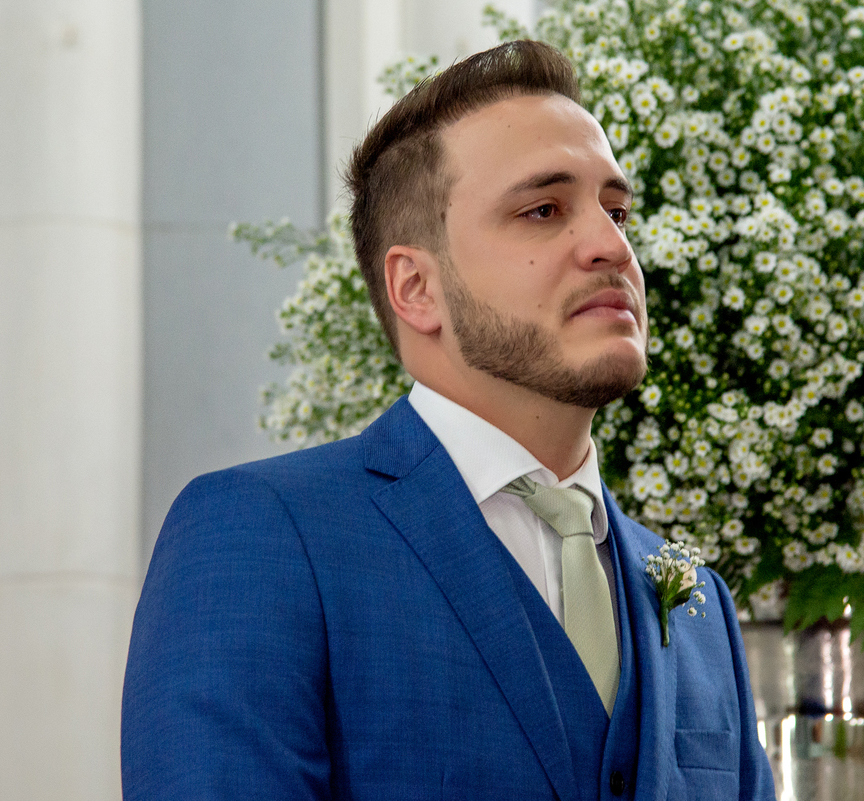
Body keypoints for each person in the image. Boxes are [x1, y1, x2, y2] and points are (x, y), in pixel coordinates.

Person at [121, 40, 776, 801]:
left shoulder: (700, 605)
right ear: (416, 288)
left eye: (618, 211)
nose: (612, 246)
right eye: (543, 210)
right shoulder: (264, 536)